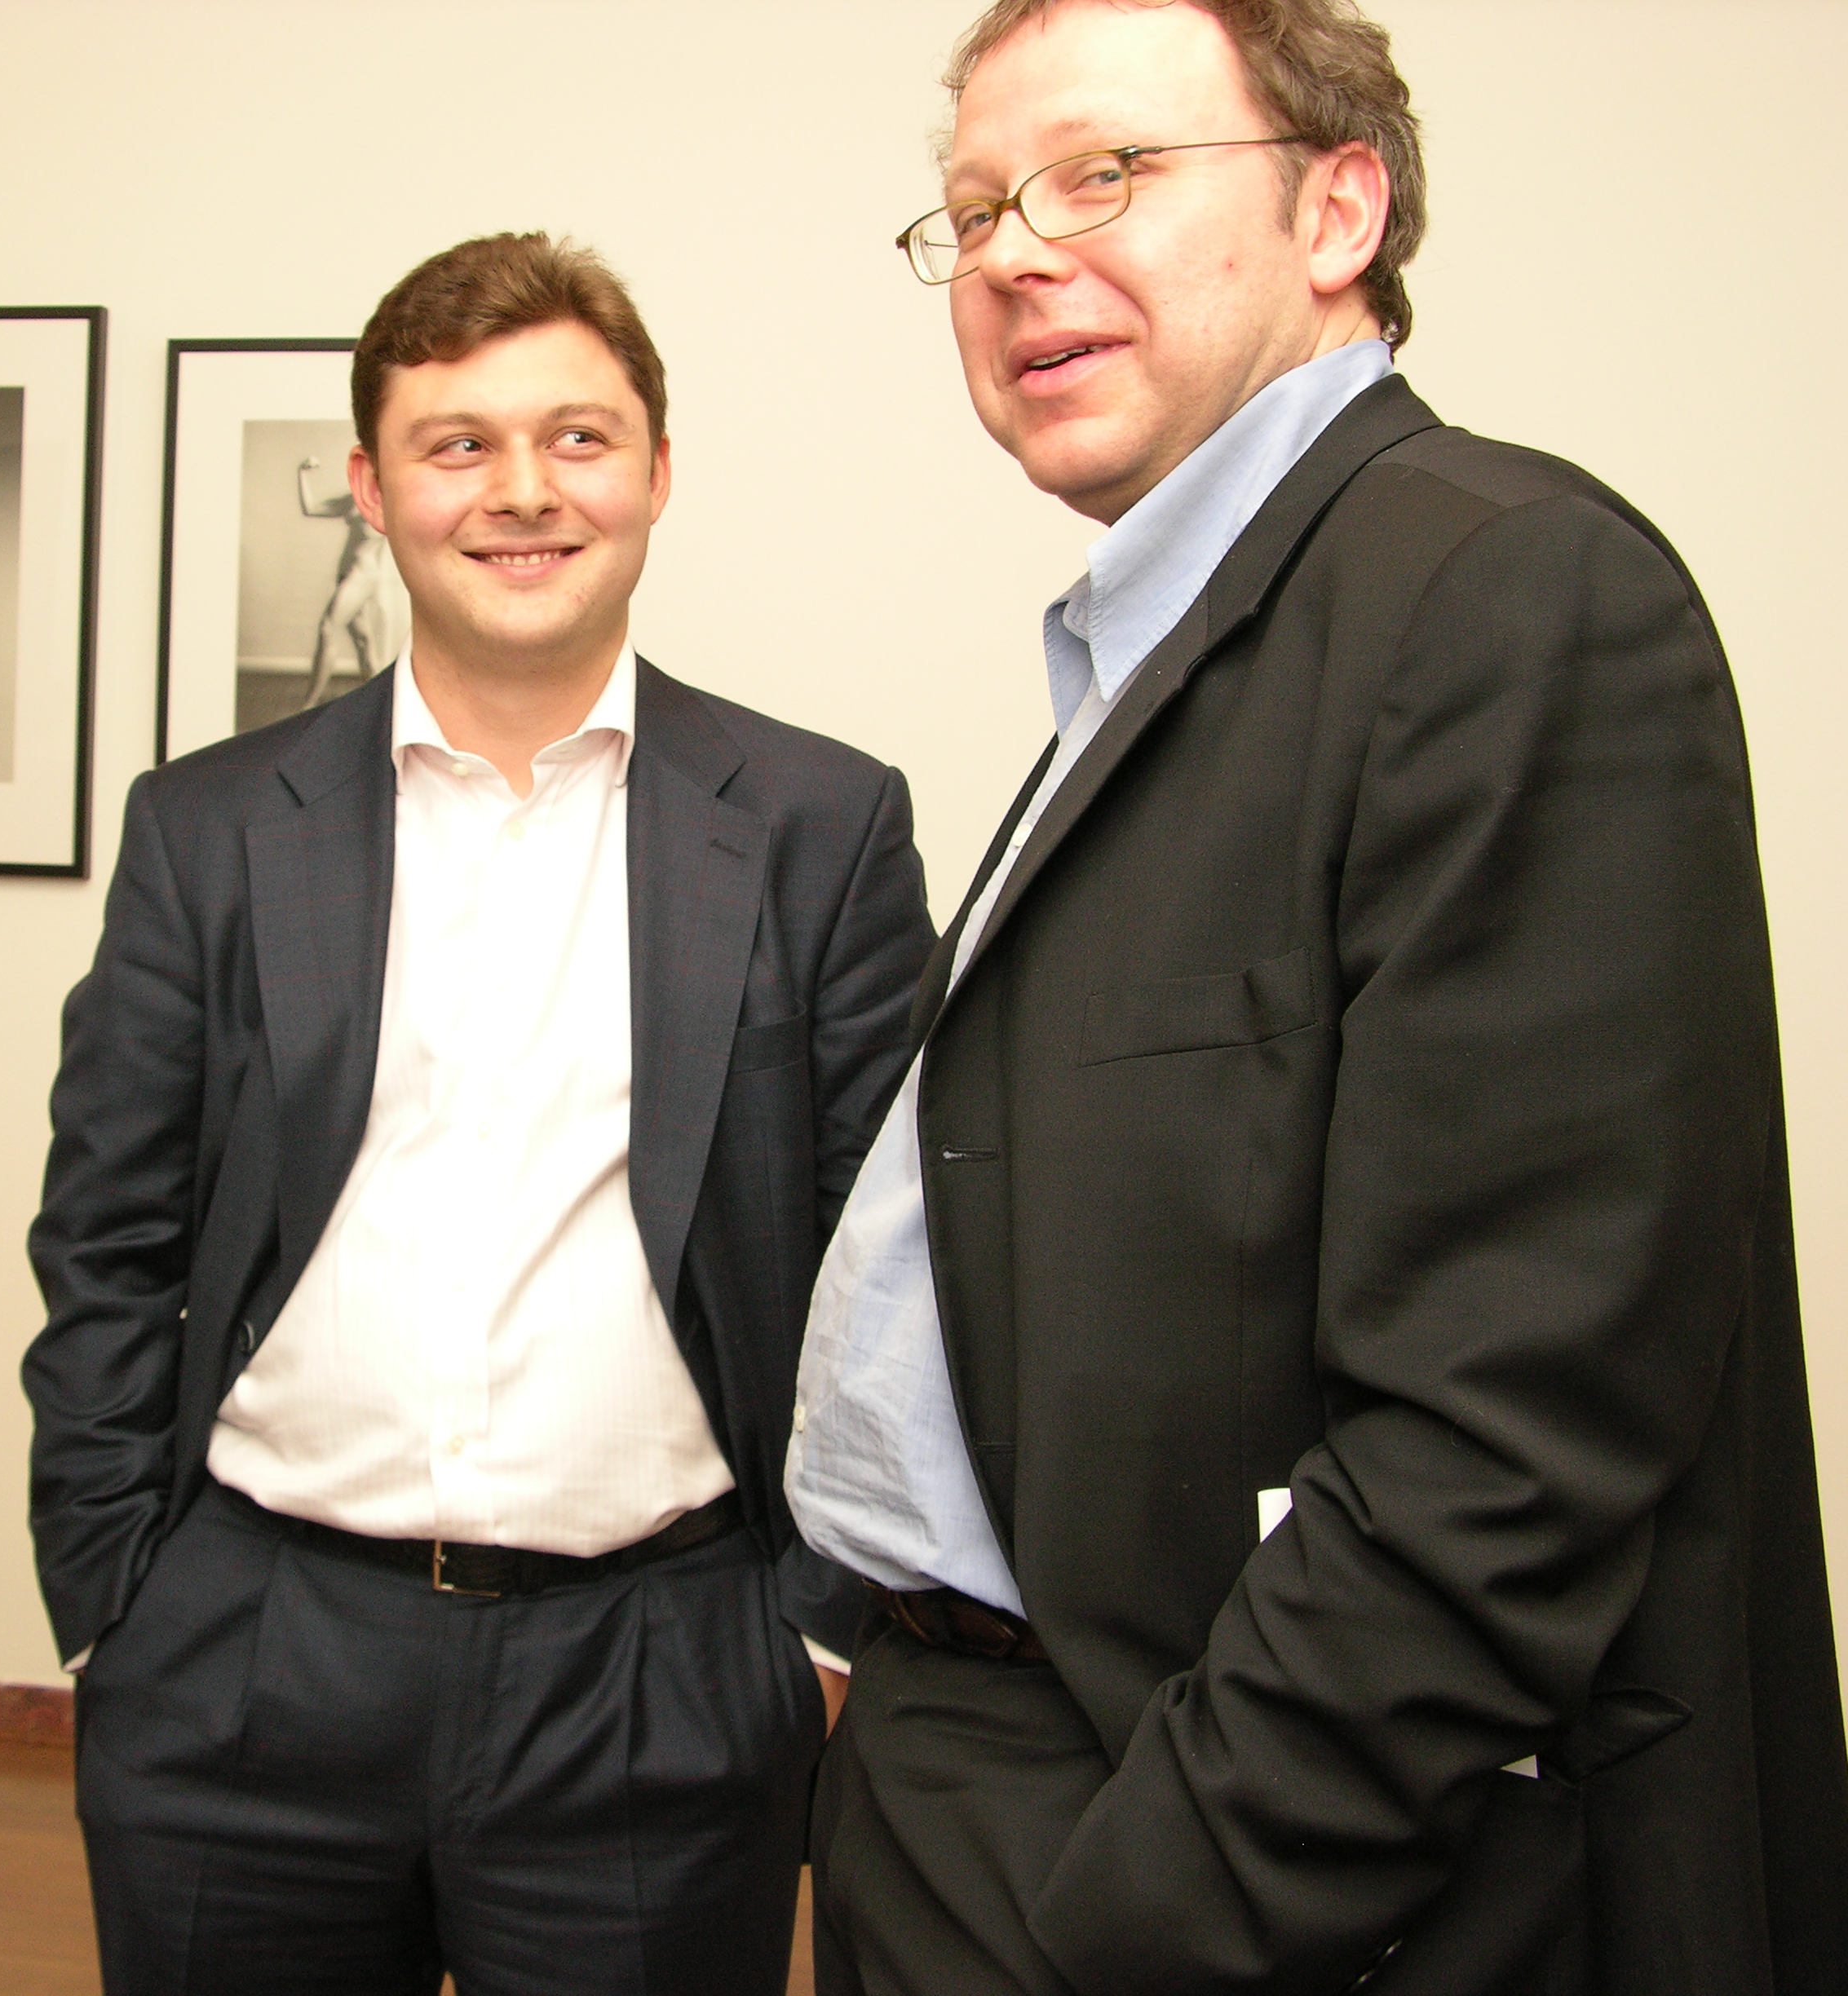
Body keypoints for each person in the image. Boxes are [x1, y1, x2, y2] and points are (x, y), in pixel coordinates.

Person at [788, 2, 1848, 1991]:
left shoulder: (1508, 594)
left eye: (1102, 174)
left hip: (1183, 1854)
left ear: (1338, 209)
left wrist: (1158, 1902)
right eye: (975, 211)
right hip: (955, 1762)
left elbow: (1505, 1441)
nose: (1013, 254)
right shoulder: (1170, 640)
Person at [24, 232, 935, 1995]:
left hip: (660, 1672)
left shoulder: (820, 828)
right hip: (246, 1659)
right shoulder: (209, 831)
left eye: (577, 438)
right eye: (457, 444)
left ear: (657, 470)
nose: (522, 491)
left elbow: (883, 1265)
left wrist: (814, 1634)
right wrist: (115, 1607)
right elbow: (108, 1240)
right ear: (372, 488)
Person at [293, 450, 407, 709]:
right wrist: (302, 474)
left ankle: (309, 706)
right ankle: (387, 707)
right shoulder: (355, 499)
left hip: (362, 577)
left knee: (328, 627)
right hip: (345, 574)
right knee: (364, 642)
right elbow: (311, 509)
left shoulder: (392, 505)